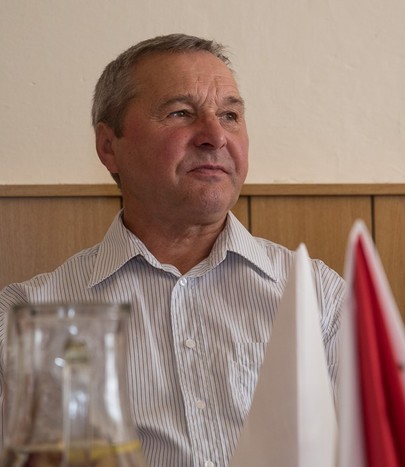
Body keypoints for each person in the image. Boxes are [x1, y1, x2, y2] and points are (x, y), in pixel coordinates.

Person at [0, 34, 344, 466]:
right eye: (181, 113)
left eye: (230, 115)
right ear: (109, 147)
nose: (215, 136)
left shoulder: (320, 296)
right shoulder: (25, 317)